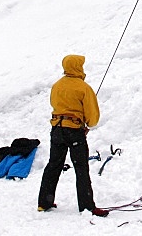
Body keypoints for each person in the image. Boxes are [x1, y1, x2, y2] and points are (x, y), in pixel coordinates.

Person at [37, 54, 109, 217]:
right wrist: (87, 125)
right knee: (81, 168)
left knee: (53, 165)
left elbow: (54, 104)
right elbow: (92, 116)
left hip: (57, 129)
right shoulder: (83, 87)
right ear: (78, 67)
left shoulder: (57, 86)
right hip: (74, 131)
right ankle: (87, 206)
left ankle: (44, 202)